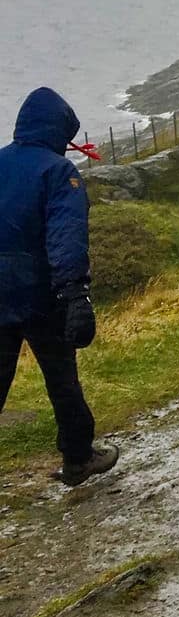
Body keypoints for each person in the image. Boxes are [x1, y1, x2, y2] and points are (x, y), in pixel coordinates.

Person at [0, 87, 117, 485]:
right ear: (58, 130)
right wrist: (76, 295)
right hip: (41, 296)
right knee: (61, 378)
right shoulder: (59, 172)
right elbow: (65, 239)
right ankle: (78, 458)